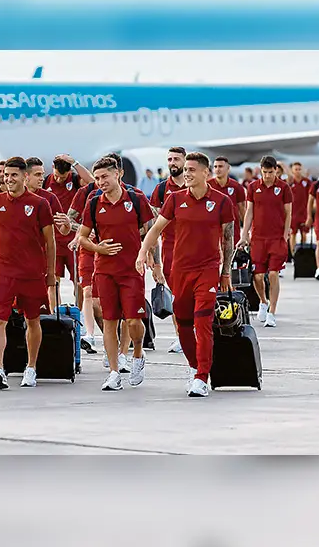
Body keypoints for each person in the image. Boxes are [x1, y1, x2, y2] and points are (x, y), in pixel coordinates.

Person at [138, 151, 235, 398]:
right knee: (183, 323)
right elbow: (156, 229)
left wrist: (225, 273)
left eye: (192, 170)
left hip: (208, 270)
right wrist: (142, 253)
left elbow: (228, 240)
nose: (187, 174)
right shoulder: (175, 199)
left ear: (205, 173)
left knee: (203, 321)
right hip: (180, 270)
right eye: (186, 170)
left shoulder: (222, 201)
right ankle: (194, 367)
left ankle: (202, 377)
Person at [78, 157, 155, 391]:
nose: (101, 182)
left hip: (131, 270)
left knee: (133, 321)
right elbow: (82, 237)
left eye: (105, 176)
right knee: (109, 321)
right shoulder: (94, 203)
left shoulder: (136, 199)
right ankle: (113, 372)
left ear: (118, 174)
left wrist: (149, 255)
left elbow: (151, 231)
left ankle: (138, 354)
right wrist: (97, 248)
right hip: (104, 271)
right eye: (97, 178)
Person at [0, 157, 57, 390]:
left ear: (25, 176)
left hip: (32, 273)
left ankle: (31, 367)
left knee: (32, 320)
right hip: (2, 272)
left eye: (14, 175)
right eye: (6, 175)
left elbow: (50, 241)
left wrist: (50, 273)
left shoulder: (40, 204)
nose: (9, 179)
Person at [237, 155, 291, 328]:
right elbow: (249, 212)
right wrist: (244, 235)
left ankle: (272, 312)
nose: (267, 176)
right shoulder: (253, 187)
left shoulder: (283, 188)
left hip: (276, 238)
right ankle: (263, 301)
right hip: (258, 238)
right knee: (258, 276)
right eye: (264, 172)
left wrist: (285, 236)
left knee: (273, 274)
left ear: (276, 171)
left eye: (270, 172)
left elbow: (288, 213)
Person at [148, 146, 188, 354]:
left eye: (176, 159)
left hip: (196, 248)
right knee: (177, 296)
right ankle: (181, 336)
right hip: (171, 249)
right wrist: (154, 260)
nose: (172, 163)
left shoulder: (196, 184)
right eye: (170, 159)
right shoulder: (162, 189)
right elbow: (153, 226)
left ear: (185, 161)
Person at [43, 153, 94, 306]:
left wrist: (75, 162)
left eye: (63, 177)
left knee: (79, 281)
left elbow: (93, 182)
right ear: (53, 168)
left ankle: (78, 312)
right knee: (53, 282)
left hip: (74, 239)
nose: (59, 179)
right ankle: (56, 314)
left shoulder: (75, 180)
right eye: (57, 176)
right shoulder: (45, 181)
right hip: (54, 240)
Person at [25, 157, 72, 309]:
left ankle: (53, 317)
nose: (42, 178)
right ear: (26, 176)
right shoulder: (11, 196)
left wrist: (66, 224)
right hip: (17, 259)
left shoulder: (50, 198)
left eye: (42, 174)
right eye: (37, 175)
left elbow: (63, 230)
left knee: (44, 297)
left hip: (43, 258)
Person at [208, 156, 247, 245]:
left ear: (228, 168)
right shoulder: (208, 186)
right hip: (212, 232)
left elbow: (242, 211)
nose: (217, 169)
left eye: (220, 166)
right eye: (215, 167)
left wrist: (246, 234)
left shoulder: (237, 186)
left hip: (233, 232)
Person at [287, 162, 311, 251]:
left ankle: (302, 251)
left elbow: (311, 196)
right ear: (292, 171)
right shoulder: (290, 182)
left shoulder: (307, 182)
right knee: (292, 234)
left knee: (304, 234)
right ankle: (293, 254)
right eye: (296, 169)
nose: (298, 171)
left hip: (304, 213)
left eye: (299, 169)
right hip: (293, 213)